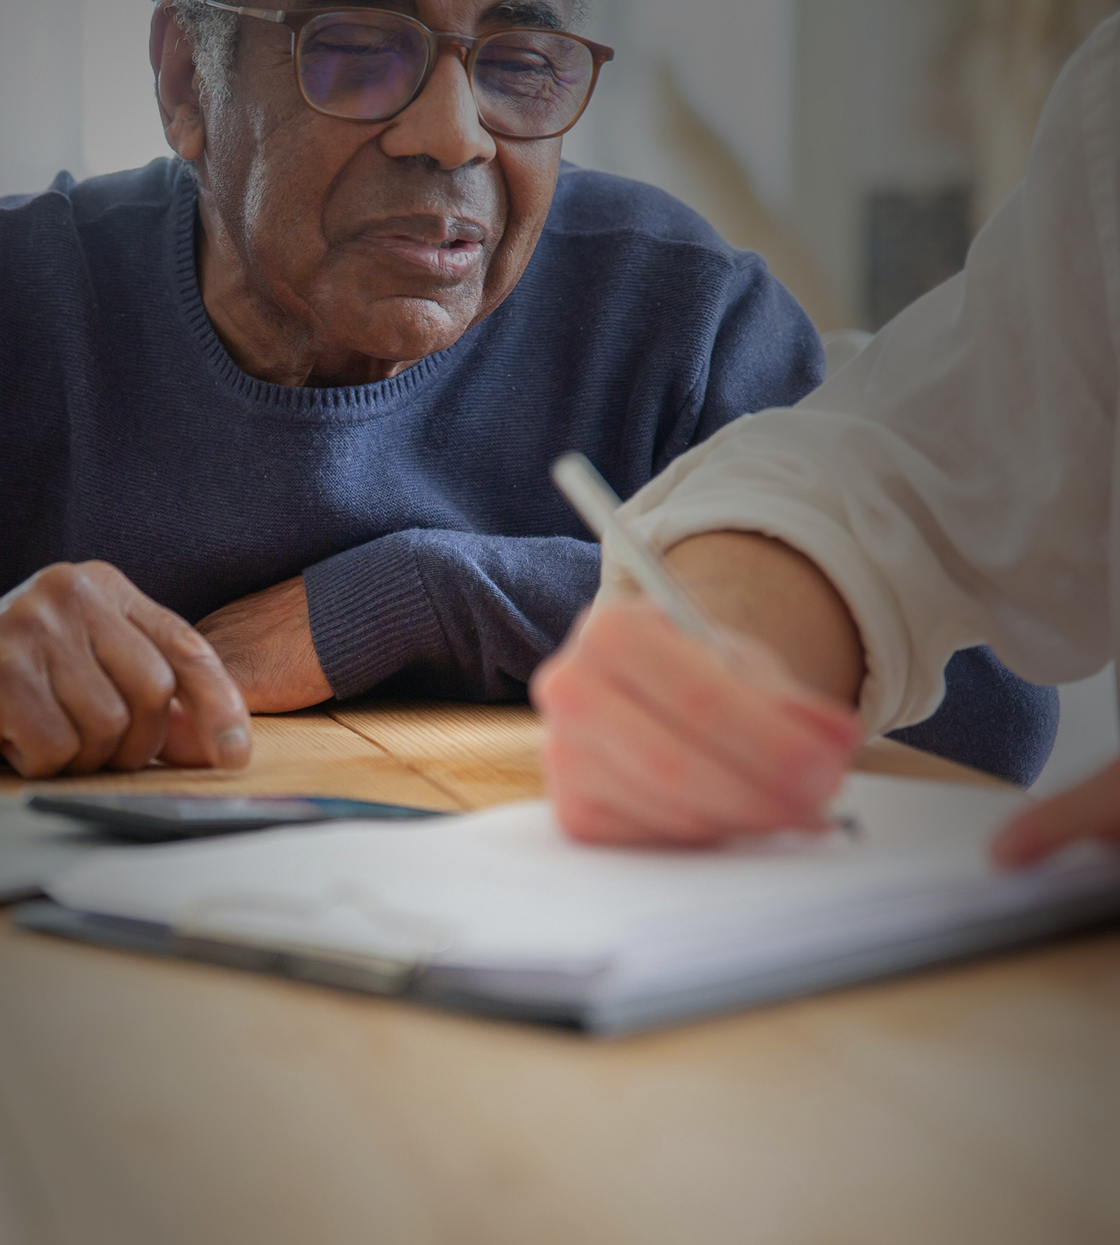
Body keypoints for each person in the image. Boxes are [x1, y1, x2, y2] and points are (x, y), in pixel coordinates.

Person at [0, 1, 1050, 783]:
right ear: (189, 83)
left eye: (523, 63)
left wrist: (424, 597)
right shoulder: (29, 303)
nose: (454, 136)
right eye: (358, 48)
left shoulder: (672, 312)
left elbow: (991, 708)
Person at [532, 13, 1120, 863]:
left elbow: (999, 707)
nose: (446, 136)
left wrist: (404, 599)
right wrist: (726, 648)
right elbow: (890, 471)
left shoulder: (677, 295)